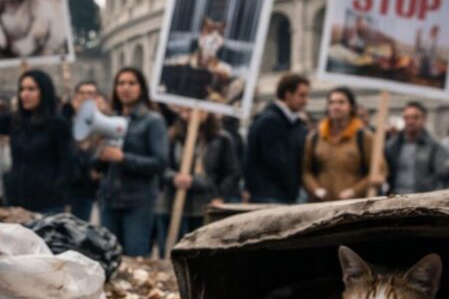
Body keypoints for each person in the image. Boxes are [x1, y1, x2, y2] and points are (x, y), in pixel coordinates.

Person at [0, 65, 73, 215]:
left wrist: (59, 194)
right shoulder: (16, 121)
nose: (25, 94)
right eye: (22, 89)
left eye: (31, 89)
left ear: (44, 91)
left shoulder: (58, 123)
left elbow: (68, 164)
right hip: (17, 203)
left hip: (48, 205)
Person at [95, 68, 168, 257]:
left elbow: (160, 162)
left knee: (135, 260)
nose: (125, 88)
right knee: (109, 258)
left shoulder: (153, 121)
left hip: (138, 203)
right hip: (109, 201)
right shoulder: (110, 120)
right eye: (121, 83)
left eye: (131, 83)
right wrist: (100, 156)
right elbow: (96, 165)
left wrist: (123, 158)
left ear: (141, 88)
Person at [155, 108, 240, 255]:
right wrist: (174, 177)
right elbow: (162, 167)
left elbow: (232, 172)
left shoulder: (221, 139)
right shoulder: (172, 136)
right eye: (186, 110)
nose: (189, 115)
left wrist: (220, 195)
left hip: (203, 204)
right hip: (173, 204)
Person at [243, 73, 310, 203]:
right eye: (301, 95)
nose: (305, 101)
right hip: (270, 196)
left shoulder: (292, 122)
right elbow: (278, 162)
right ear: (288, 94)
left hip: (278, 195)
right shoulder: (271, 121)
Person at [301, 86, 377, 202]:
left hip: (353, 204)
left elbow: (377, 171)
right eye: (332, 102)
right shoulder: (315, 137)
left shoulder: (364, 137)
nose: (336, 107)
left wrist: (354, 191)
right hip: (320, 204)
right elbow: (306, 171)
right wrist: (316, 190)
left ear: (351, 107)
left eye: (341, 102)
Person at [384, 101, 449, 194]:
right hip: (396, 196)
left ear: (424, 119)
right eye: (407, 118)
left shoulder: (434, 147)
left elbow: (441, 174)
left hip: (422, 197)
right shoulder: (392, 146)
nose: (410, 122)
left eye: (415, 117)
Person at [62, 80, 101, 221]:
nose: (85, 97)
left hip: (90, 188)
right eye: (82, 93)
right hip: (69, 186)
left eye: (90, 93)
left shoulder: (101, 122)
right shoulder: (65, 120)